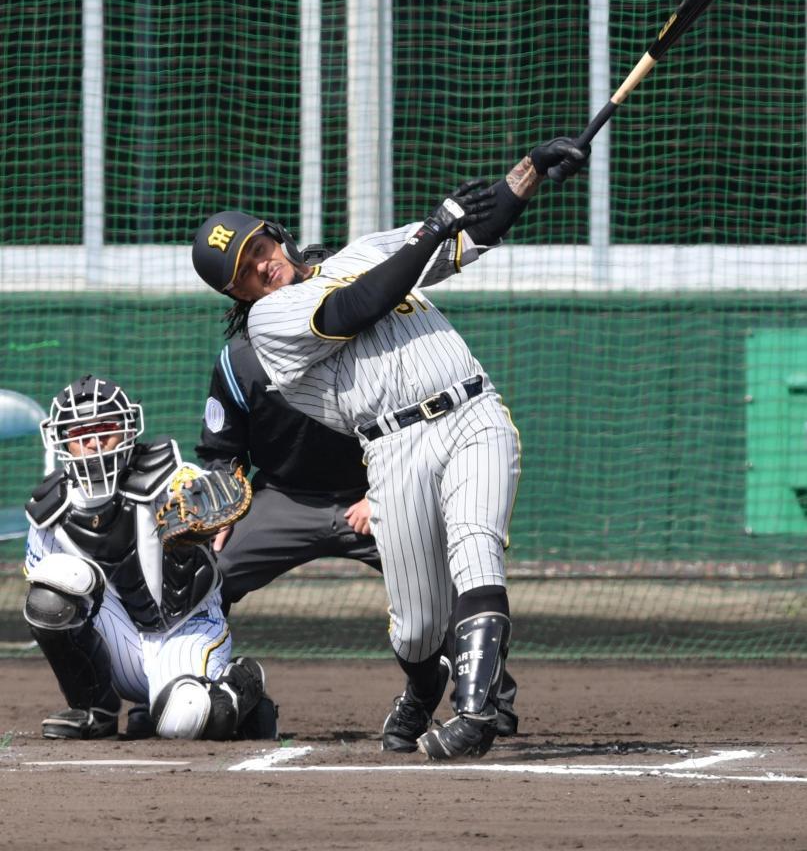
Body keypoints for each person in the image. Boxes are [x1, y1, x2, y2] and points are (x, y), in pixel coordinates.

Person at [191, 135, 589, 759]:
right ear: (237, 295)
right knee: (418, 626)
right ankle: (420, 685)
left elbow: (470, 235)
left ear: (275, 236)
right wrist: (432, 228)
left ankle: (478, 713)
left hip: (473, 412)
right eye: (243, 273)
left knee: (476, 548)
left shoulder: (360, 253)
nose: (260, 267)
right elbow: (356, 306)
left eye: (258, 250)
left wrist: (531, 170)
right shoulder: (269, 326)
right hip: (395, 448)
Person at [194, 289, 520, 744]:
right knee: (207, 574)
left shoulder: (367, 341)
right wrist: (223, 502)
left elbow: (408, 429)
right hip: (287, 498)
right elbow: (221, 451)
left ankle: (490, 699)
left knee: (451, 581)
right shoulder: (242, 358)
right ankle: (196, 685)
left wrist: (380, 492)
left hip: (376, 493)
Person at [22, 373, 277, 742]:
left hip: (183, 629)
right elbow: (48, 603)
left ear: (127, 429)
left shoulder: (166, 474)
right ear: (63, 441)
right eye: (80, 434)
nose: (94, 443)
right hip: (118, 643)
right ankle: (95, 710)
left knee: (183, 720)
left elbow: (199, 486)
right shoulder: (50, 512)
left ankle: (242, 682)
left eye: (105, 427)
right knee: (48, 593)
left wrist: (202, 498)